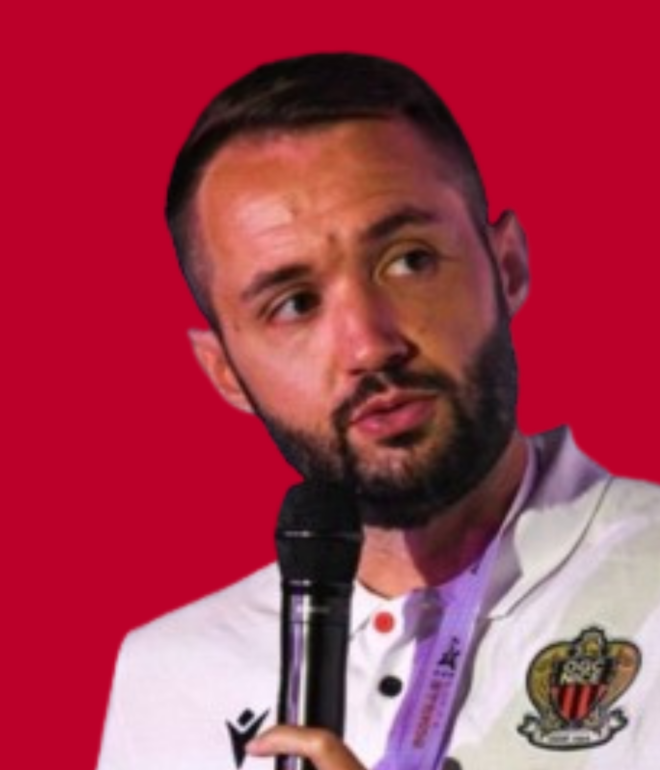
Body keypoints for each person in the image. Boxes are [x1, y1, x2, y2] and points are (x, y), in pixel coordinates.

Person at [96, 53, 660, 770]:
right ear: (226, 373)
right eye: (294, 304)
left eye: (409, 260)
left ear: (507, 267)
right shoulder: (169, 678)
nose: (369, 344)